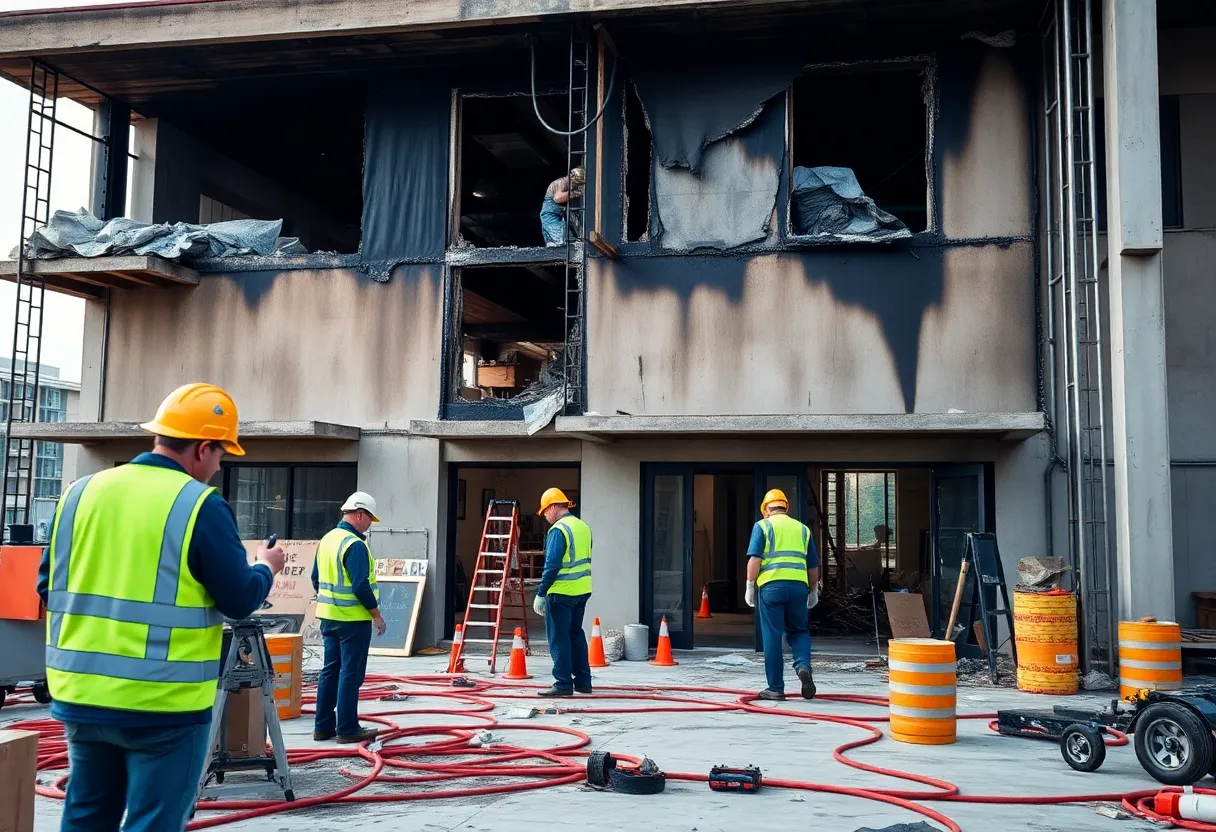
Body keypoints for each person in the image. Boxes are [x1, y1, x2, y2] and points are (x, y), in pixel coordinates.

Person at [37, 382, 287, 832]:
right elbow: (239, 599)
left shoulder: (78, 493)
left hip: (81, 694)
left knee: (87, 816)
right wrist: (265, 568)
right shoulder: (199, 505)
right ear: (203, 448)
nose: (217, 466)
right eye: (220, 455)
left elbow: (47, 589)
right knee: (154, 822)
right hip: (162, 704)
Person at [311, 491, 385, 744]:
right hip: (352, 620)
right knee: (350, 673)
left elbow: (315, 579)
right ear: (360, 515)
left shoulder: (328, 539)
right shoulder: (354, 544)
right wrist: (376, 615)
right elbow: (360, 586)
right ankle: (347, 728)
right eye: (369, 520)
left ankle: (322, 727)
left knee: (330, 671)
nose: (369, 526)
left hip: (328, 618)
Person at [744, 489, 820, 702]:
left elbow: (754, 561)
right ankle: (803, 666)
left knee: (772, 636)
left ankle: (776, 688)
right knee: (799, 631)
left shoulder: (762, 526)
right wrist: (813, 590)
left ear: (765, 510)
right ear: (786, 507)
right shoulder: (803, 529)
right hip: (798, 588)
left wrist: (750, 586)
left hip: (771, 588)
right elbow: (813, 565)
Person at [532, 487, 593, 697]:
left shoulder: (559, 530)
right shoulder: (582, 526)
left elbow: (552, 565)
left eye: (546, 510)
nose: (545, 515)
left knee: (559, 638)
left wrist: (541, 593)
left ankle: (563, 684)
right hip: (582, 590)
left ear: (555, 506)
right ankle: (584, 682)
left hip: (561, 593)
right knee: (576, 634)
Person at [540, 167, 585, 246]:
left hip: (562, 210)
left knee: (570, 233)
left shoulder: (572, 184)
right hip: (550, 212)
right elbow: (557, 198)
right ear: (572, 176)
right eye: (578, 181)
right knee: (559, 239)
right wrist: (577, 193)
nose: (578, 184)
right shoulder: (562, 182)